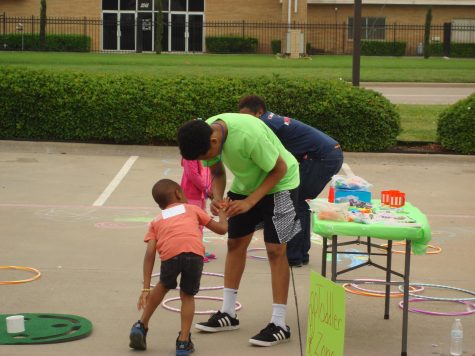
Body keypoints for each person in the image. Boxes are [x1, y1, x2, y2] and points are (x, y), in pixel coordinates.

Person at [177, 113, 301, 347]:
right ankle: (228, 313)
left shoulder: (248, 135)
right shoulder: (206, 133)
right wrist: (218, 196)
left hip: (283, 185)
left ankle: (280, 324)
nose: (207, 160)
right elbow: (218, 172)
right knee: (235, 244)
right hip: (245, 187)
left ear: (214, 142)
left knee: (276, 251)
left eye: (205, 156)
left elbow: (280, 169)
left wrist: (250, 202)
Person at [239, 95, 344, 267]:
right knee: (300, 203)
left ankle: (294, 255)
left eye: (247, 116)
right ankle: (300, 253)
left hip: (321, 158)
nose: (244, 121)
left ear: (259, 112)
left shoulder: (265, 124)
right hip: (326, 155)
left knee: (296, 203)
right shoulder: (271, 120)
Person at [129, 179, 228, 355]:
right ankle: (183, 342)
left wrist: (145, 287)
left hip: (170, 256)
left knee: (163, 285)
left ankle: (141, 325)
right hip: (194, 255)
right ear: (178, 193)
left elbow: (150, 253)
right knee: (187, 296)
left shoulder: (156, 221)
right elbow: (222, 229)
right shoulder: (192, 209)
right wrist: (222, 211)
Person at [180, 158, 216, 262]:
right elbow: (193, 175)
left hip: (201, 194)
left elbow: (208, 172)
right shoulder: (190, 155)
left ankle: (199, 249)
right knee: (193, 225)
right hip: (191, 194)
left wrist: (210, 189)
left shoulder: (204, 154)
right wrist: (206, 189)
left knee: (200, 223)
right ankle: (194, 251)